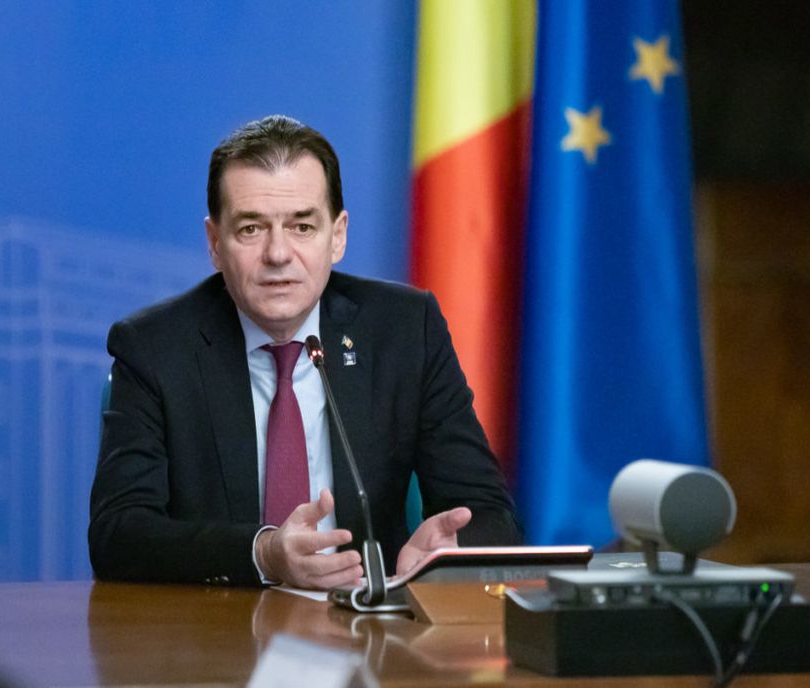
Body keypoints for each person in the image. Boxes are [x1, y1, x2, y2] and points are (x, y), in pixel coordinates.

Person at [89, 115, 522, 590]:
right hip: (220, 625)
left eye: (302, 226)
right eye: (251, 229)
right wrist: (261, 553)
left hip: (368, 624)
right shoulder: (154, 348)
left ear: (337, 236)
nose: (278, 254)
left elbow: (488, 513)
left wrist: (449, 552)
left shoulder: (404, 331)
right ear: (215, 243)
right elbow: (118, 535)